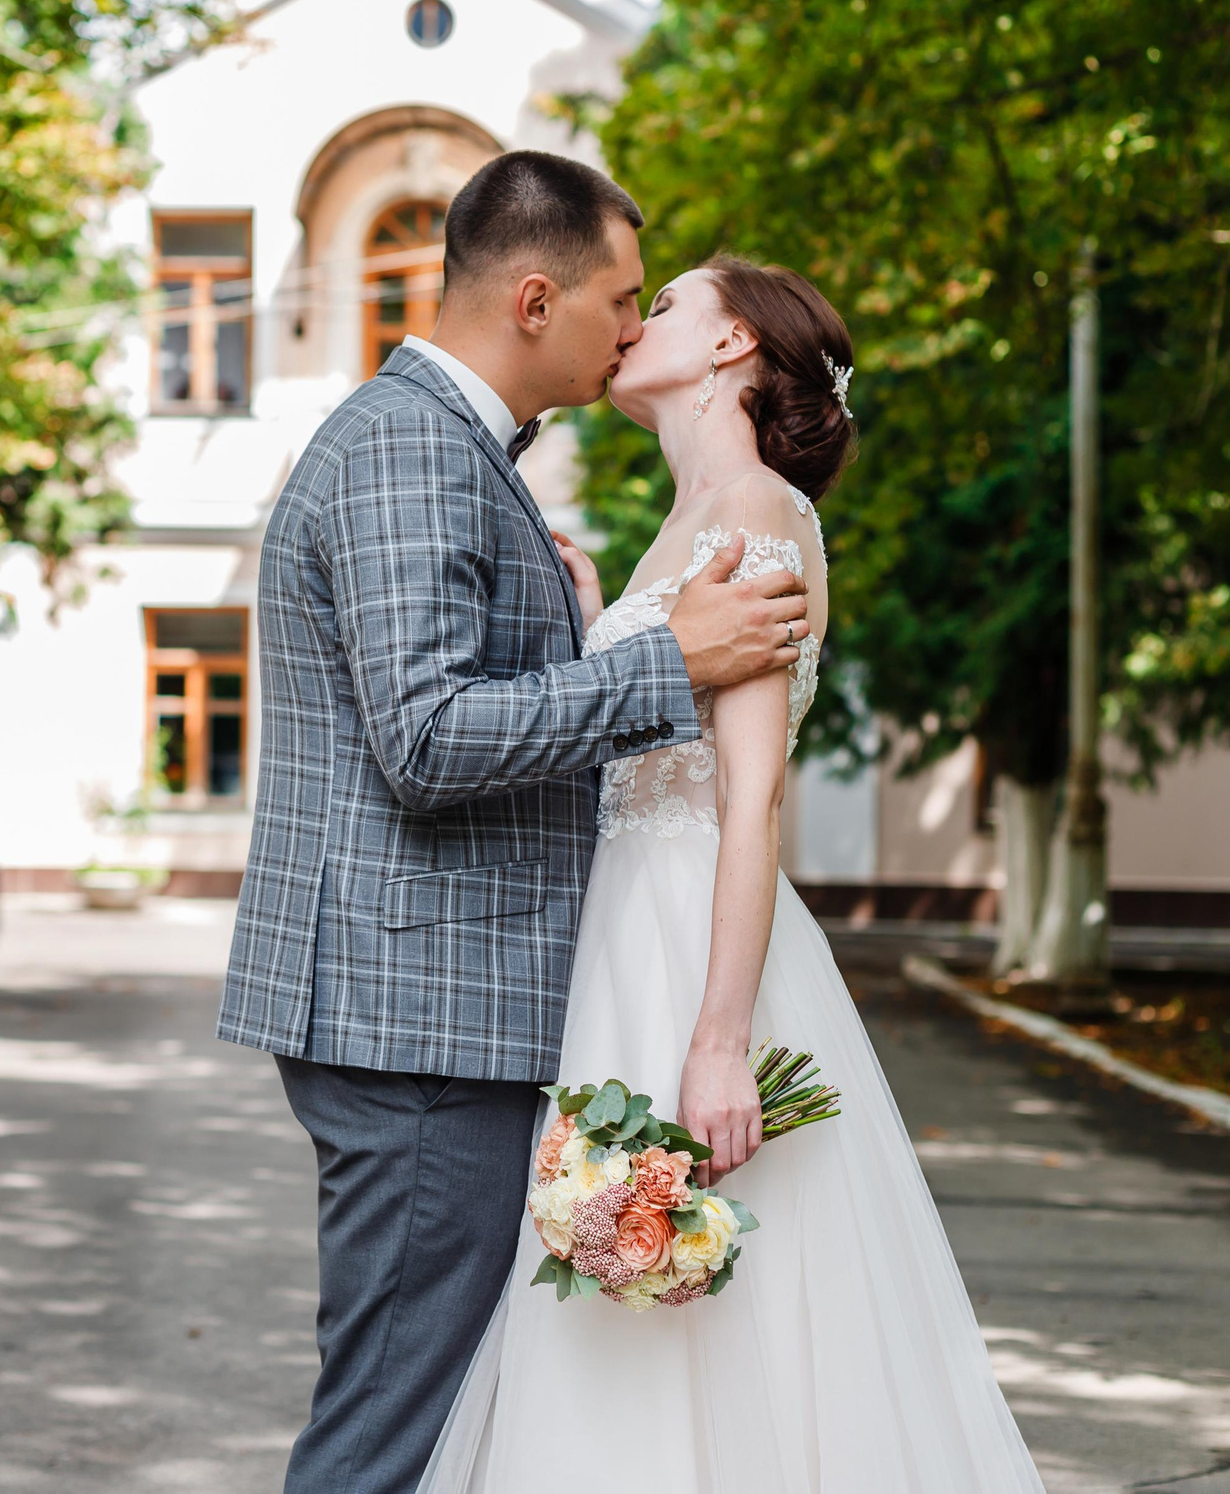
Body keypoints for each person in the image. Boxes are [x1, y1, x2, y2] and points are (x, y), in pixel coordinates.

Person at [217, 151, 811, 1494]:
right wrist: (667, 664)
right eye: (621, 298)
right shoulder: (411, 448)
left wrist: (584, 624)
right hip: (418, 1015)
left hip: (434, 1007)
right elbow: (426, 739)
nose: (629, 327)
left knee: (422, 1416)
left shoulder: (449, 451)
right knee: (390, 1430)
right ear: (536, 299)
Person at [413, 256, 1045, 1492]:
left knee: (706, 1318)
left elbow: (748, 799)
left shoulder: (754, 513)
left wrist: (715, 1038)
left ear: (729, 347)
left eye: (665, 304)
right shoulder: (686, 524)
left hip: (689, 938)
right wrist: (604, 619)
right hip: (620, 931)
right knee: (609, 1304)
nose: (631, 322)